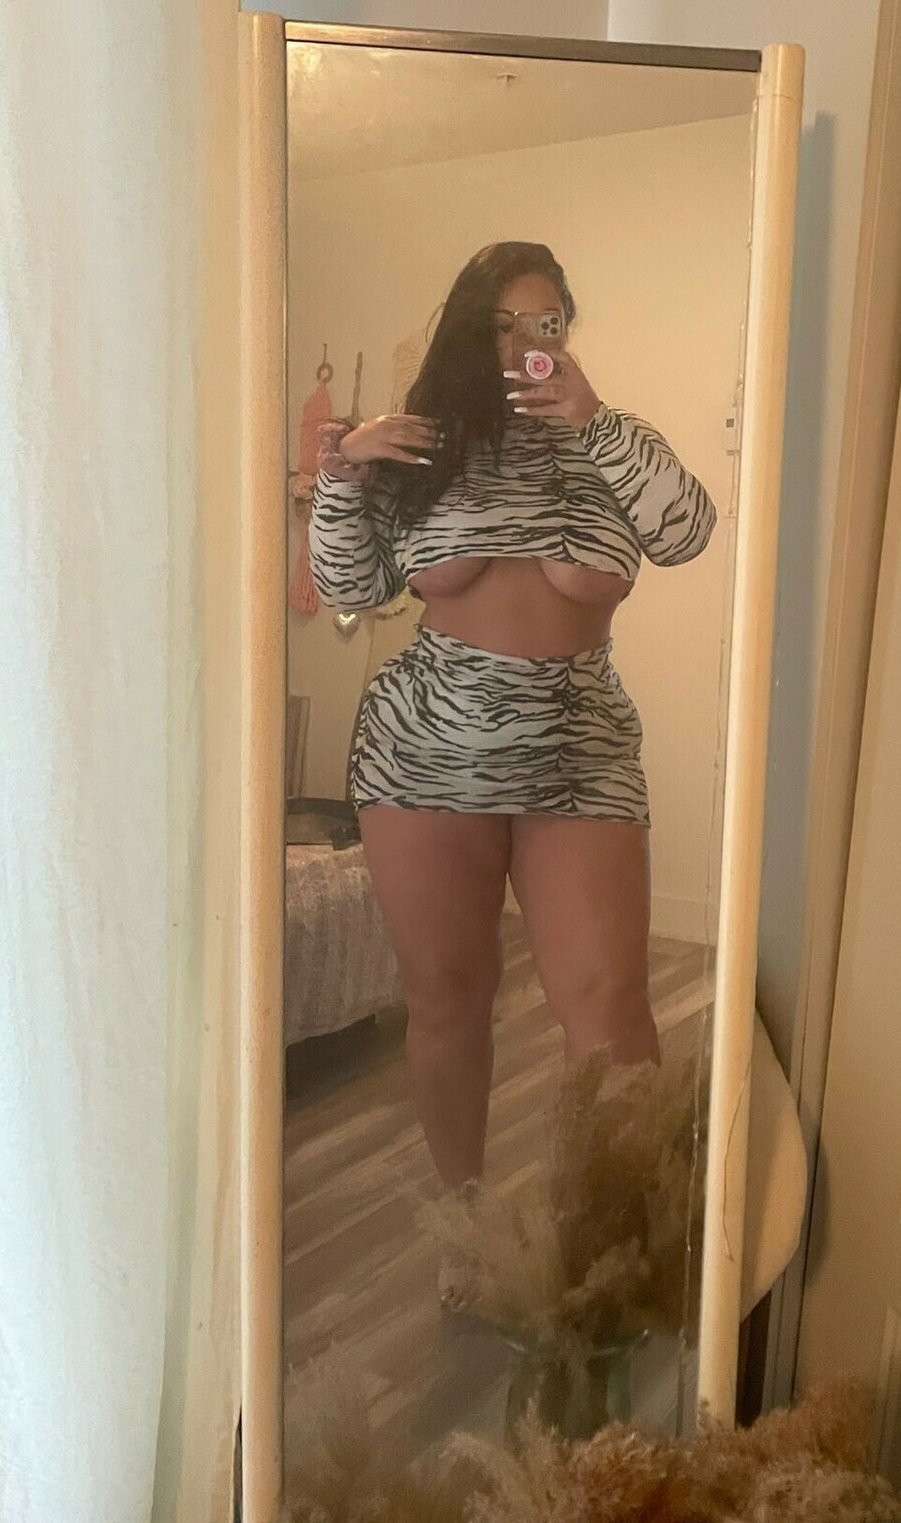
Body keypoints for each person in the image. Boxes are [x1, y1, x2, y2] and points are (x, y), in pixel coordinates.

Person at [307, 239, 716, 1187]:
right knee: (449, 999)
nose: (525, 342)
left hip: (580, 756)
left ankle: (612, 1228)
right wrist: (344, 473)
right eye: (502, 326)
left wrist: (597, 423)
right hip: (421, 754)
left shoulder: (612, 443)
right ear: (469, 335)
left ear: (565, 332)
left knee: (610, 1007)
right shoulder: (422, 448)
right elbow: (350, 588)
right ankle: (466, 1218)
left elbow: (686, 533)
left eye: (544, 323)